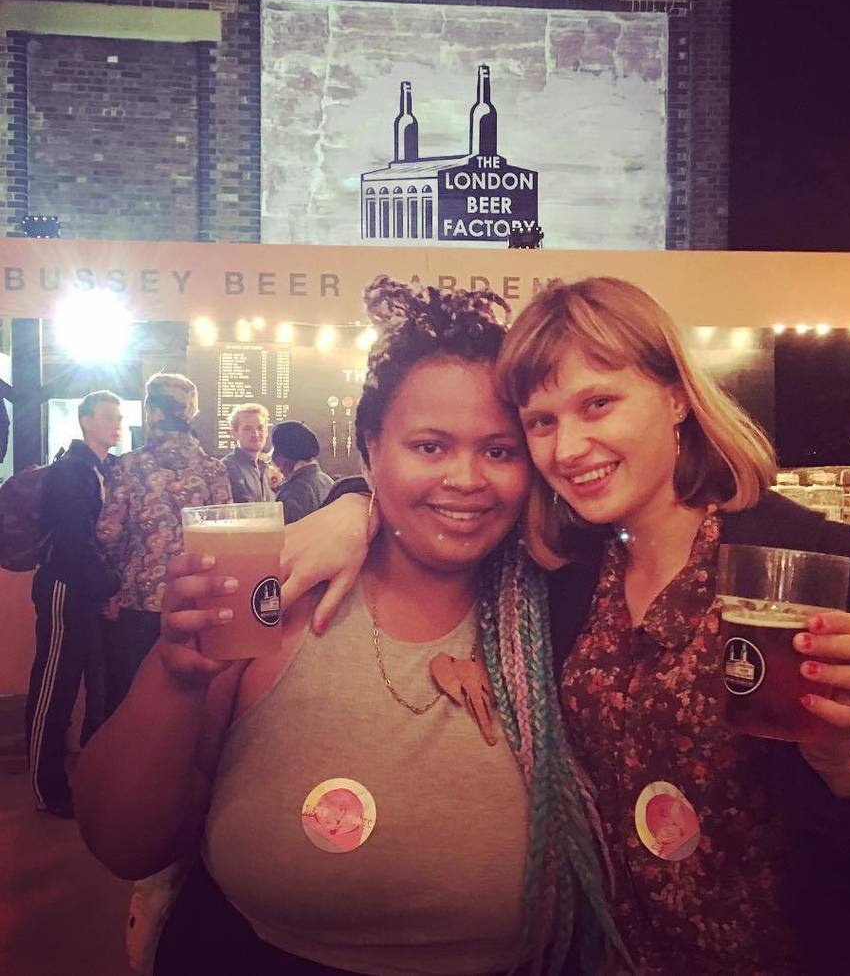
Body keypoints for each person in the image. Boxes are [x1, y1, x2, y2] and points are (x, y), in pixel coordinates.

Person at [285, 277, 850, 975]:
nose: (568, 448)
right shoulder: (566, 573)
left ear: (674, 395)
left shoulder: (814, 566)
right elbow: (439, 502)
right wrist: (353, 504)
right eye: (542, 421)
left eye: (598, 404)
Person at [74, 279, 623, 976]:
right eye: (429, 445)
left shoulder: (565, 611)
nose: (465, 477)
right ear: (371, 449)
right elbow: (123, 842)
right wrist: (175, 674)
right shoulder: (282, 593)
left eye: (500, 450)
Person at [96, 373, 230, 716]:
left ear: (152, 412)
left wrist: (112, 582)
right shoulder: (213, 470)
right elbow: (225, 538)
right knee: (187, 705)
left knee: (128, 702)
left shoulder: (130, 465)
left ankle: (124, 771)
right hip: (194, 603)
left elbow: (109, 533)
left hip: (138, 602)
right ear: (191, 413)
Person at [25, 390, 123, 817]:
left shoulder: (100, 469)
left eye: (119, 418)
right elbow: (75, 541)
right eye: (107, 417)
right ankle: (46, 788)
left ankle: (69, 781)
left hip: (84, 588)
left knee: (78, 686)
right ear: (85, 421)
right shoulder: (73, 471)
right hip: (65, 586)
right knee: (54, 685)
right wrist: (109, 584)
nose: (116, 424)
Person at [270, 420, 334, 523]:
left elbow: (287, 536)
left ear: (282, 458)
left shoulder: (291, 493)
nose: (279, 470)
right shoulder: (327, 481)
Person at [221, 403, 273, 503]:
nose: (255, 434)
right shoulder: (226, 467)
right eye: (247, 429)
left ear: (266, 431)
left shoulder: (269, 467)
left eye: (260, 428)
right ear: (234, 432)